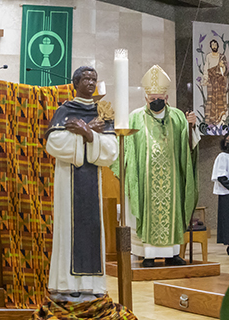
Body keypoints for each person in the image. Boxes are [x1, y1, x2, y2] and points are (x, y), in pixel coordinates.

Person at [45, 66, 118, 300]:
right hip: (68, 182)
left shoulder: (102, 113)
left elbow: (111, 150)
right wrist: (89, 133)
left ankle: (93, 286)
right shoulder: (65, 110)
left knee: (92, 231)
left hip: (93, 183)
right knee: (68, 231)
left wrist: (86, 133)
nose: (90, 82)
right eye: (85, 78)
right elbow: (53, 143)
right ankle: (67, 284)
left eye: (94, 79)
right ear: (75, 82)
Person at [122, 65, 199, 268]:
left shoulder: (178, 116)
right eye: (151, 99)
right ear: (145, 98)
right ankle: (148, 255)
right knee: (150, 212)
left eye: (160, 98)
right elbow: (127, 148)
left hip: (172, 177)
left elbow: (189, 147)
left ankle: (173, 254)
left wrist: (192, 127)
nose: (156, 102)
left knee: (172, 209)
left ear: (166, 98)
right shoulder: (135, 117)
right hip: (146, 178)